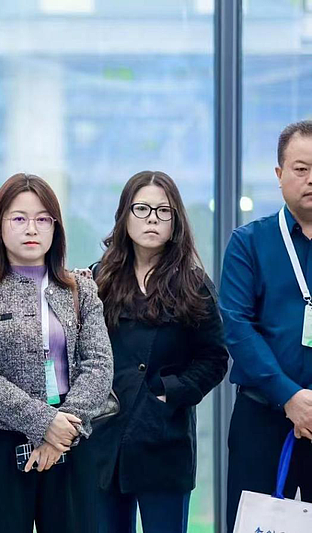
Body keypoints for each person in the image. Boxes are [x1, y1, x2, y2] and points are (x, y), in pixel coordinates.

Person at [0, 173, 113, 533]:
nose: (32, 229)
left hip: (71, 442)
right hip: (1, 443)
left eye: (43, 219)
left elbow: (99, 365)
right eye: (19, 218)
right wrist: (43, 424)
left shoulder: (81, 288)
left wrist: (62, 430)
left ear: (56, 228)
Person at [90, 170, 228, 533]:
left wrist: (170, 393)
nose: (152, 218)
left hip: (164, 438)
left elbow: (215, 358)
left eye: (163, 211)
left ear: (175, 221)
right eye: (142, 208)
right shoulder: (99, 279)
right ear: (124, 215)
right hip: (106, 438)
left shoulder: (193, 284)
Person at [221, 120, 312, 532]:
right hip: (262, 418)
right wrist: (289, 396)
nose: (310, 179)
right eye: (300, 169)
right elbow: (237, 326)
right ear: (279, 174)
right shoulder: (249, 242)